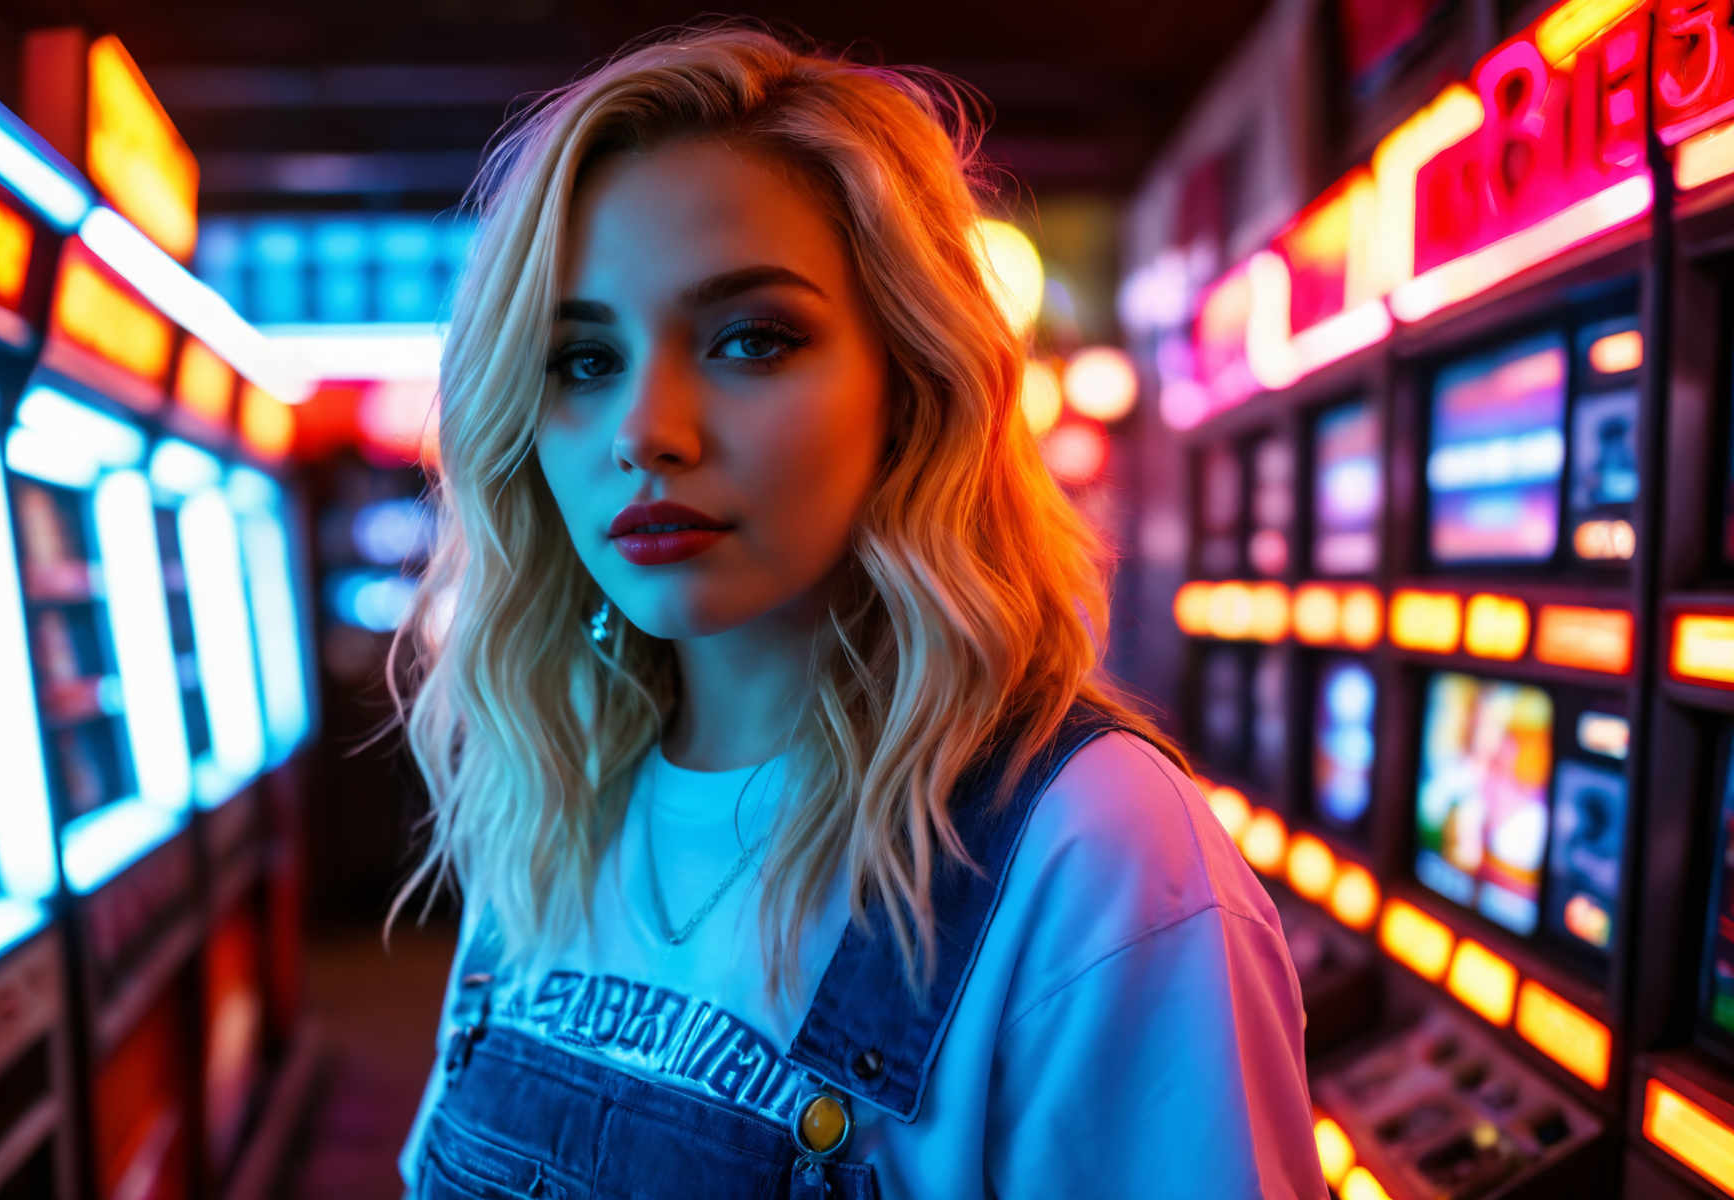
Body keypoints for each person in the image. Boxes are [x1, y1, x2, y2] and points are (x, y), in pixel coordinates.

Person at [386, 24, 1323, 1198]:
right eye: (581, 361)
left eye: (750, 340)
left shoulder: (1091, 849)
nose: (644, 431)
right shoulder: (555, 779)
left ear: (912, 387)